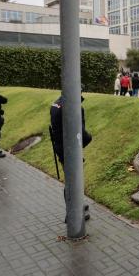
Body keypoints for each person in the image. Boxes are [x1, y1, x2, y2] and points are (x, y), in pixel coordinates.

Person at [49, 92, 93, 221]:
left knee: (72, 179)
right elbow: (81, 133)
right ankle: (72, 213)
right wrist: (88, 139)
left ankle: (77, 205)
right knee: (73, 182)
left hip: (61, 146)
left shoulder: (57, 102)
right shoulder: (74, 107)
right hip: (70, 149)